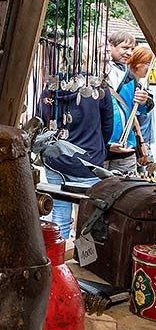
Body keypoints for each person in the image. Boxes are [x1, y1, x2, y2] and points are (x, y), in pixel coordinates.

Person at [39, 76, 113, 240]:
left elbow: (42, 119)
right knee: (90, 218)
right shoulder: (98, 87)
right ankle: (82, 259)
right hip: (88, 160)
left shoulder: (51, 86)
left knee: (59, 213)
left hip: (55, 160)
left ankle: (60, 255)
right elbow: (108, 126)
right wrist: (96, 147)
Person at [107, 45, 153, 173]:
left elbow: (142, 110)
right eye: (149, 64)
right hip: (119, 143)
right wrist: (142, 144)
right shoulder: (125, 81)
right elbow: (131, 118)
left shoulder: (136, 84)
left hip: (130, 145)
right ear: (138, 63)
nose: (151, 68)